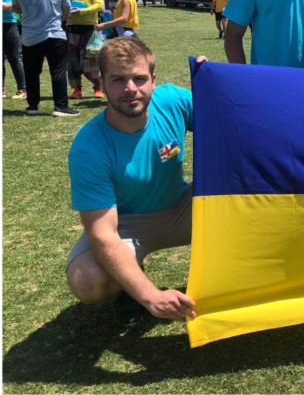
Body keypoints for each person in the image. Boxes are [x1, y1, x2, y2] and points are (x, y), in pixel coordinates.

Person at [66, 38, 208, 326]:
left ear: (153, 81)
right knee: (87, 280)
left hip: (182, 207)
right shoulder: (89, 146)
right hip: (126, 225)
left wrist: (217, 81)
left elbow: (228, 114)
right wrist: (150, 296)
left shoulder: (172, 102)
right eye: (118, 79)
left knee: (253, 202)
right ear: (102, 83)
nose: (130, 88)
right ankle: (131, 281)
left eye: (139, 78)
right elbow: (104, 234)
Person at [11, 0, 79, 117]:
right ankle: (61, 106)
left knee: (32, 73)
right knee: (58, 71)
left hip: (30, 37)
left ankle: (33, 106)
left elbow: (16, 9)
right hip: (55, 34)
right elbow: (66, 13)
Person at [63, 0, 105, 99]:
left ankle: (98, 87)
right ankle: (77, 89)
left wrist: (82, 11)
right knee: (73, 62)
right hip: (72, 28)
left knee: (92, 59)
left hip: (89, 27)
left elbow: (99, 5)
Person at [3, 0, 26, 99]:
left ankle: (22, 89)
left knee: (14, 59)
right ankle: (1, 90)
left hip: (8, 26)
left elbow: (8, 6)